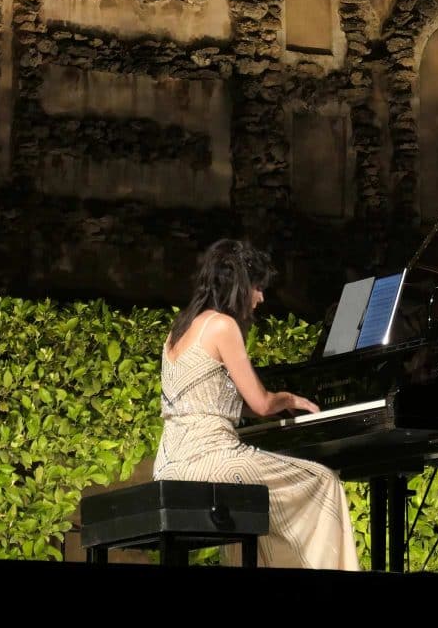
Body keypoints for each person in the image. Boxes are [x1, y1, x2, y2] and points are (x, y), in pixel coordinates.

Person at [152, 238, 360, 571]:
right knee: (323, 481)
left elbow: (210, 398)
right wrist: (289, 398)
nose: (261, 297)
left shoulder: (178, 330)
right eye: (258, 287)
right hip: (211, 461)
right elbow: (262, 404)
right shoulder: (223, 326)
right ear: (240, 285)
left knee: (259, 508)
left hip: (168, 464)